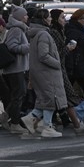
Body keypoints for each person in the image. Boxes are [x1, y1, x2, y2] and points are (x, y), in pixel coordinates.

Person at [21, 8, 68, 137]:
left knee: (45, 98)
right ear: (43, 19)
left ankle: (34, 119)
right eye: (48, 17)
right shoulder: (43, 34)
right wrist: (57, 63)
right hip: (47, 72)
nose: (51, 19)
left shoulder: (36, 34)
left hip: (40, 71)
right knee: (51, 98)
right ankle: (46, 126)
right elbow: (43, 55)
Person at [0, 6, 32, 134]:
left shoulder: (20, 29)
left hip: (19, 67)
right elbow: (12, 46)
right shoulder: (16, 29)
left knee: (19, 94)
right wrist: (28, 47)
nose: (27, 17)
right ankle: (14, 123)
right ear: (19, 17)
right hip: (15, 68)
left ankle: (5, 116)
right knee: (19, 94)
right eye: (25, 15)